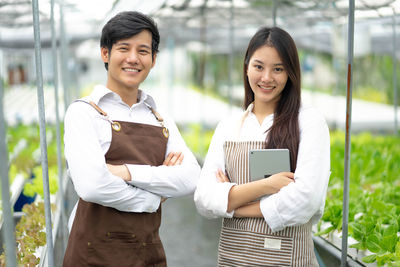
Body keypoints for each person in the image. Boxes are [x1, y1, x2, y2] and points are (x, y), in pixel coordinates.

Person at [63, 11, 200, 267]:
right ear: (105, 53)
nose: (133, 59)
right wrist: (153, 197)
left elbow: (190, 178)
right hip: (94, 255)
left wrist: (125, 172)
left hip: (148, 253)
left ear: (154, 59)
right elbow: (93, 186)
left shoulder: (160, 119)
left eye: (143, 51)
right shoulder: (84, 112)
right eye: (124, 48)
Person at [194, 26, 330, 266]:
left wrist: (233, 203)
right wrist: (268, 185)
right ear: (246, 67)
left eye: (278, 69)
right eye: (259, 66)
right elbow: (204, 199)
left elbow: (304, 201)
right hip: (234, 257)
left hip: (287, 258)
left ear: (290, 73)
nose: (267, 78)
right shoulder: (229, 126)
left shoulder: (308, 122)